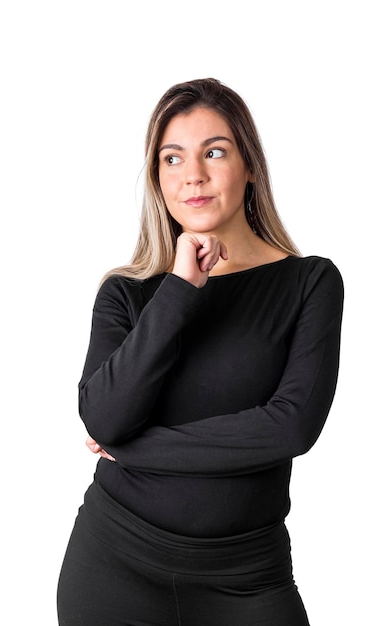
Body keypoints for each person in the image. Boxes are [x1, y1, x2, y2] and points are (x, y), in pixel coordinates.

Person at [56, 78, 344, 625]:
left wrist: (137, 450)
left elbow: (290, 428)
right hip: (114, 567)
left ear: (250, 166)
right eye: (172, 158)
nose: (194, 174)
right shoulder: (128, 292)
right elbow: (105, 416)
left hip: (248, 580)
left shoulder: (310, 283)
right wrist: (181, 288)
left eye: (214, 151)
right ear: (157, 178)